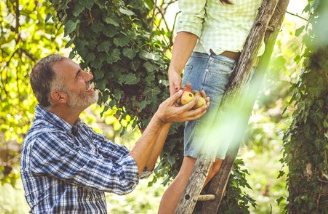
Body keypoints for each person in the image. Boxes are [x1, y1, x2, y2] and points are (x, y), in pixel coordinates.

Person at [159, 0, 277, 213]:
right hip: (209, 68)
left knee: (213, 164)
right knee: (193, 168)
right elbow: (190, 20)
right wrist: (175, 67)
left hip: (241, 69)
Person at [20, 54, 209, 213]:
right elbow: (121, 178)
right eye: (78, 76)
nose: (89, 76)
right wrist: (158, 118)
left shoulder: (78, 130)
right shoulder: (44, 140)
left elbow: (140, 167)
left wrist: (167, 118)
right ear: (59, 97)